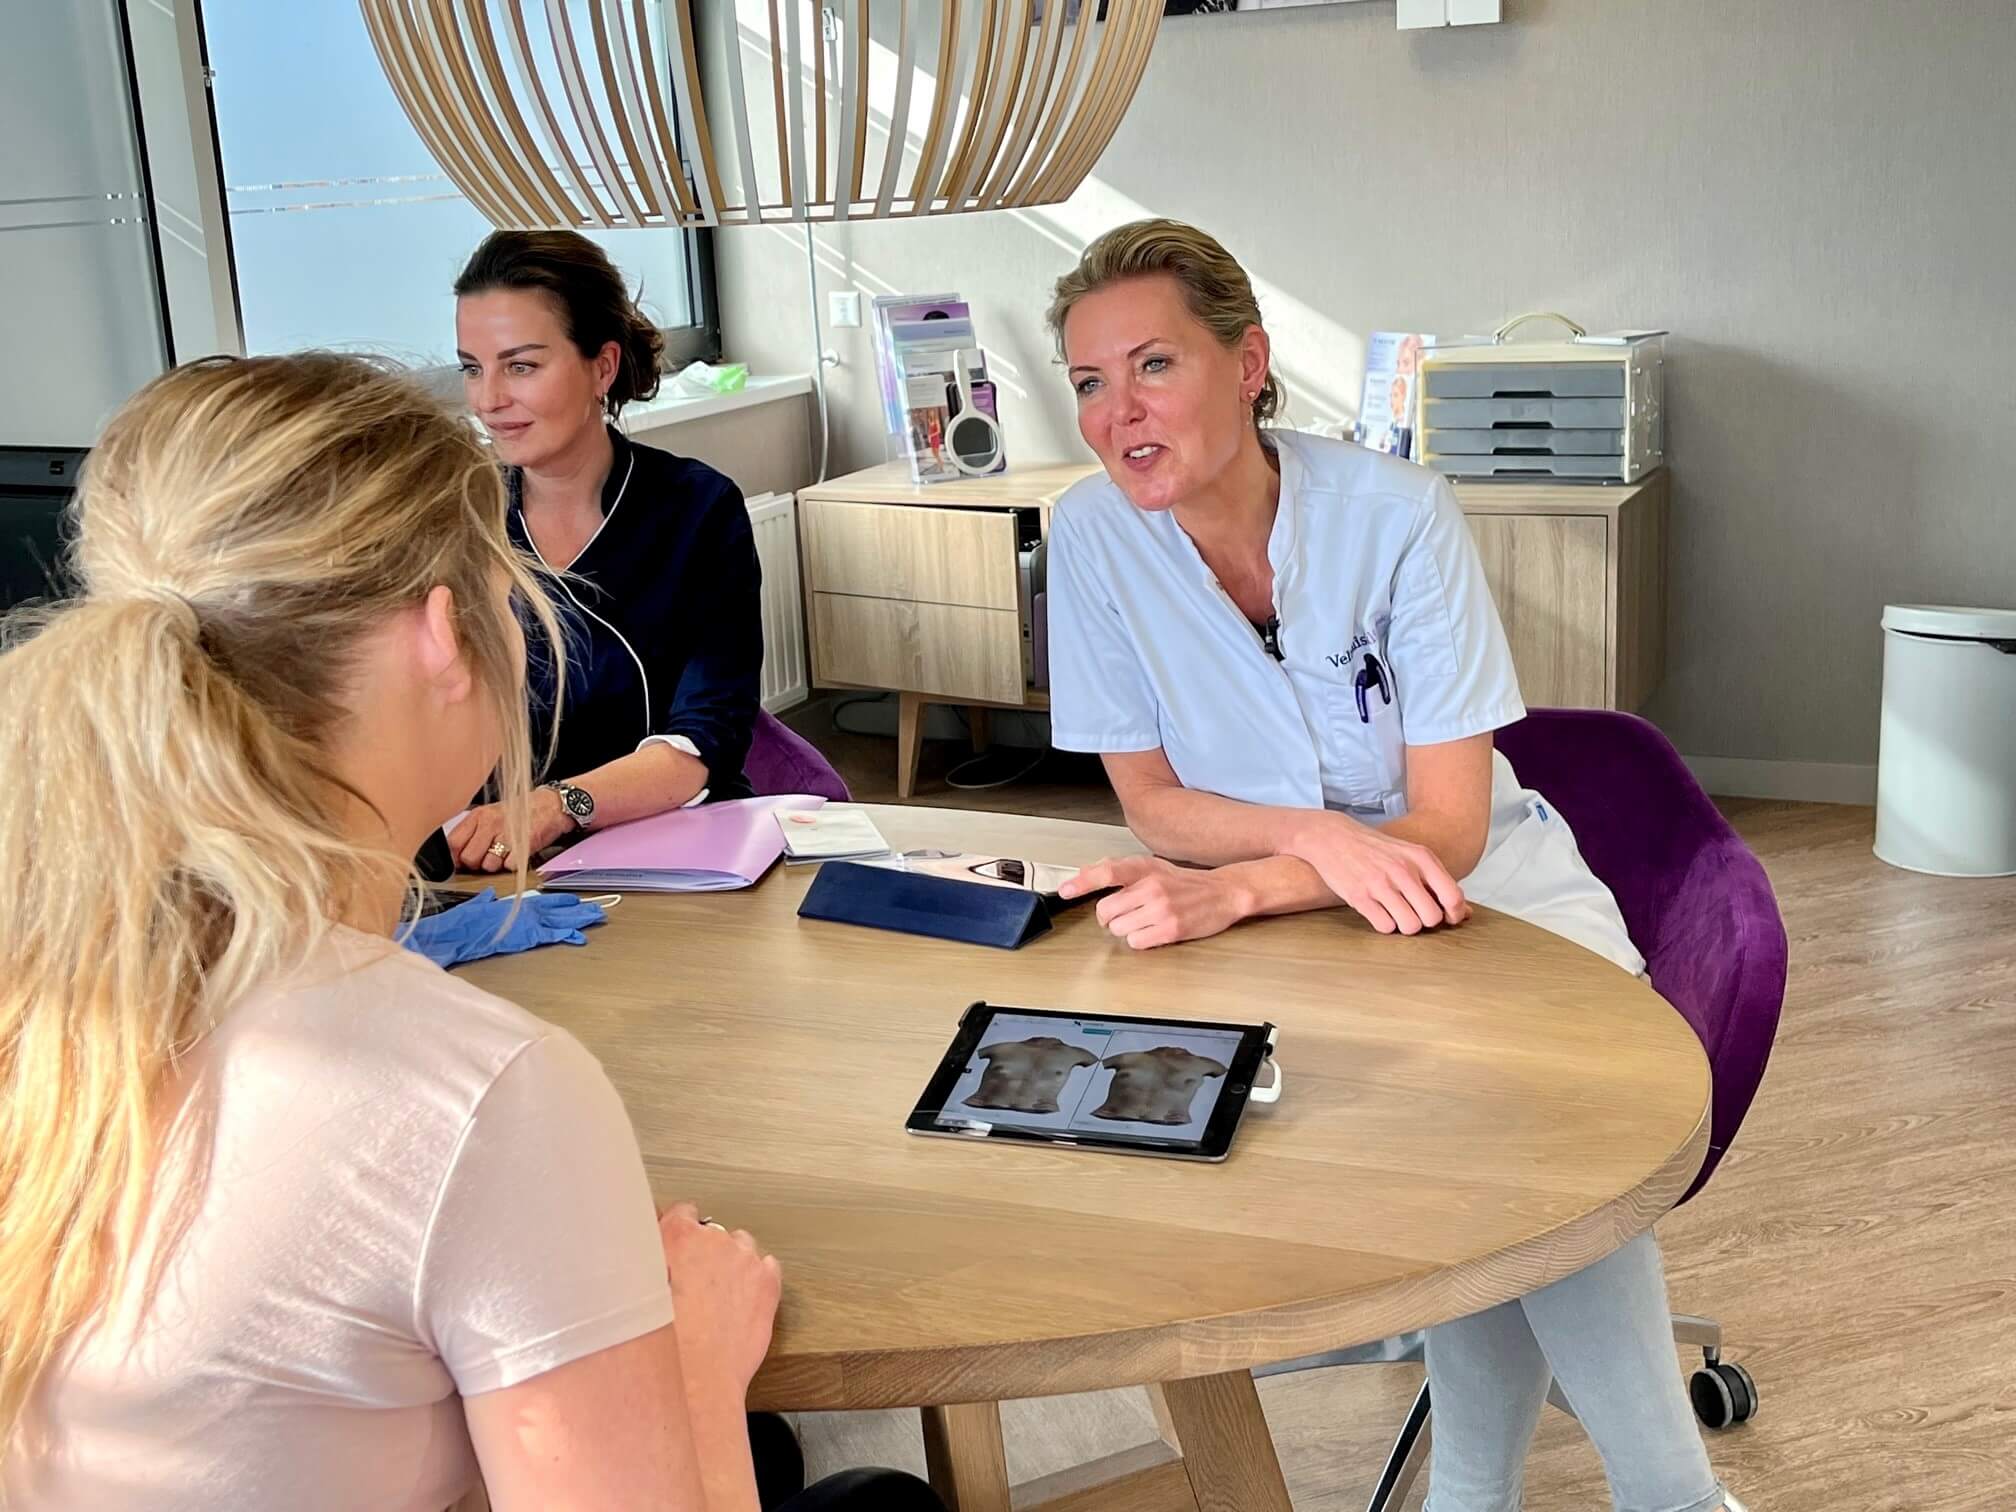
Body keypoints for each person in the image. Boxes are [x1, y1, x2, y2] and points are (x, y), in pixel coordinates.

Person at [0, 353, 941, 1512]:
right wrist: (696, 1371)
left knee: (774, 1454)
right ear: (446, 635)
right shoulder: (479, 1097)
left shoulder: (50, 998)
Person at [1041, 220, 1732, 1512]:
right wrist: (1309, 840)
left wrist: (1252, 878)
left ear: (1248, 364)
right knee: (1457, 1164)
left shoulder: (1398, 515)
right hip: (1282, 925)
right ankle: (1503, 1494)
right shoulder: (1090, 539)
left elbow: (1448, 828)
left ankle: (1650, 1497)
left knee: (1529, 1126)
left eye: (1152, 365)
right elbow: (1152, 801)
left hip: (1487, 893)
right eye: (1088, 380)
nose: (1116, 412)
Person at [446, 229, 763, 875]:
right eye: (472, 368)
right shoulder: (457, 520)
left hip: (671, 851)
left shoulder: (697, 509)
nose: (489, 400)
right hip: (488, 866)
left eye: (521, 366)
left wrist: (557, 806)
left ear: (602, 366)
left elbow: (706, 740)